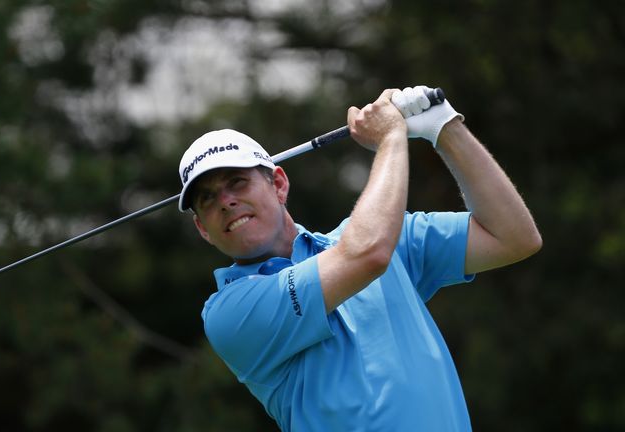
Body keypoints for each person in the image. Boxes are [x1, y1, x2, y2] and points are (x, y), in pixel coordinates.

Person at [176, 86, 542, 431]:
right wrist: (392, 138)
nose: (226, 202)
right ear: (203, 228)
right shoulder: (230, 312)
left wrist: (445, 128)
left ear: (279, 184)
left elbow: (513, 238)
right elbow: (368, 254)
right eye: (207, 198)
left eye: (237, 182)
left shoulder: (387, 235)